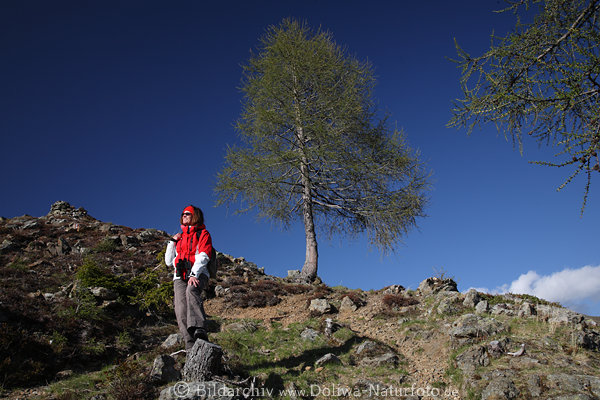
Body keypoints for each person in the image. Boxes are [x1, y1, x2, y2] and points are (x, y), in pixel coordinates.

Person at [165, 205, 213, 349]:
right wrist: (172, 242)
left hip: (198, 273)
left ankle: (199, 329)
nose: (184, 216)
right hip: (180, 276)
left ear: (195, 216)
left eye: (187, 214)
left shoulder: (203, 234)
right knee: (180, 307)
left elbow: (204, 255)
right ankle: (189, 343)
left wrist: (194, 274)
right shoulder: (179, 238)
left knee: (191, 291)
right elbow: (168, 262)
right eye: (183, 214)